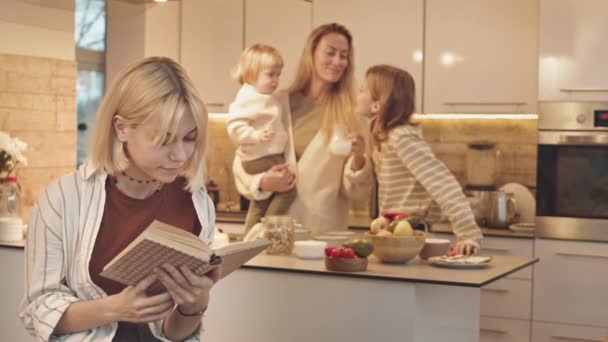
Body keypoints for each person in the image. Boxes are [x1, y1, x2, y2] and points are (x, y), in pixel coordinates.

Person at [19, 56, 220, 341]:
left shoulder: (196, 203)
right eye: (165, 140)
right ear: (122, 128)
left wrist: (194, 307)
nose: (180, 155)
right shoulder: (62, 199)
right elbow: (37, 310)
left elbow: (172, 332)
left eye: (190, 138)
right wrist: (114, 309)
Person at [233, 23, 373, 235]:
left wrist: (359, 158)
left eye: (344, 55)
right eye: (330, 53)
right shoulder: (275, 103)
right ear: (311, 55)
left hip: (319, 235)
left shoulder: (352, 114)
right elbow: (243, 158)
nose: (337, 61)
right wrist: (261, 182)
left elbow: (356, 193)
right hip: (270, 233)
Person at [357, 64, 483, 255]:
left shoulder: (402, 138)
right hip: (394, 235)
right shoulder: (385, 138)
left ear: (377, 104)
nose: (357, 95)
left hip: (411, 237)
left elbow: (442, 183)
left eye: (361, 90)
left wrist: (467, 233)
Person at [227, 44, 295, 232]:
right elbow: (234, 128)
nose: (275, 81)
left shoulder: (265, 97)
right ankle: (268, 231)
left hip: (265, 157)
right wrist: (256, 136)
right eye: (270, 75)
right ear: (250, 74)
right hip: (259, 159)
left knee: (261, 200)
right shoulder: (249, 98)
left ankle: (250, 236)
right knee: (288, 190)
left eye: (278, 75)